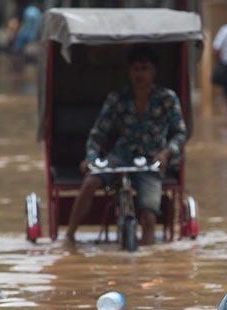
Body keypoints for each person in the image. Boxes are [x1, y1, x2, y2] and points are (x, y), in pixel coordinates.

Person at [65, 44, 187, 247]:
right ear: (129, 71)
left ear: (153, 71)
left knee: (149, 214)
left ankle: (146, 258)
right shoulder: (117, 98)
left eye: (145, 69)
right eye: (136, 69)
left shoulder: (167, 98)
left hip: (151, 159)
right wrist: (91, 158)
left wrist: (166, 153)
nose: (140, 74)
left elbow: (180, 133)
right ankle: (69, 236)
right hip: (120, 155)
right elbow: (98, 134)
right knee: (89, 183)